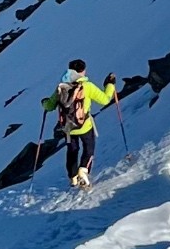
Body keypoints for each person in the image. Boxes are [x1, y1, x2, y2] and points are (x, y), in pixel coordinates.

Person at [41, 60, 117, 188]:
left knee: (72, 150)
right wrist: (110, 85)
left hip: (68, 128)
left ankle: (73, 177)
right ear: (83, 71)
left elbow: (49, 106)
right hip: (84, 125)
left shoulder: (62, 87)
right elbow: (105, 100)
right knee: (89, 148)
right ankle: (83, 169)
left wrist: (44, 102)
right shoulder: (87, 86)